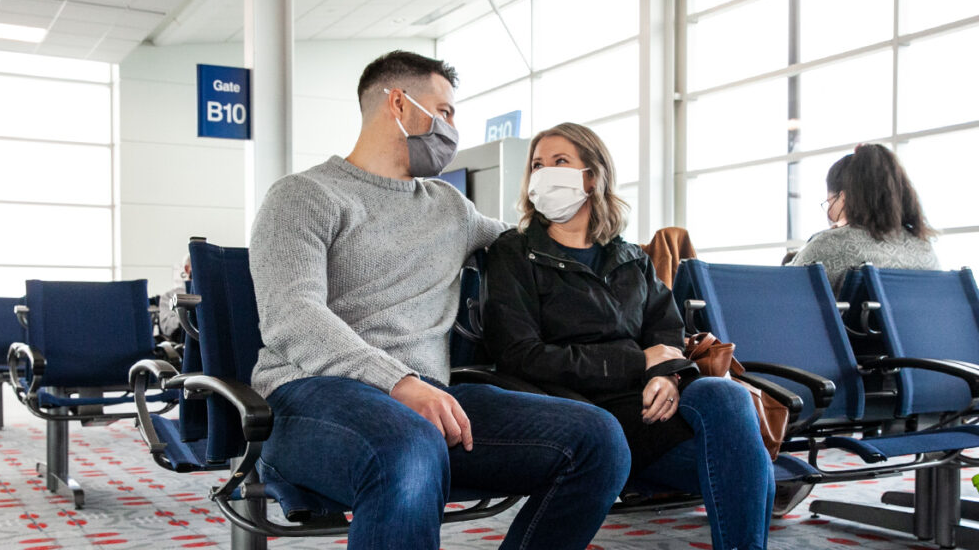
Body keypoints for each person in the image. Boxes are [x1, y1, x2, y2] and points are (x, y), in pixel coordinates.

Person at [248, 52, 630, 549]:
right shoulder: (304, 195)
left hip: (429, 399)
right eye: (445, 111)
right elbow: (292, 315)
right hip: (315, 396)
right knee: (407, 445)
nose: (452, 127)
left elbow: (535, 248)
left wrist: (626, 253)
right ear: (400, 105)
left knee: (598, 440)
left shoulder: (450, 207)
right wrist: (398, 381)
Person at [482, 122, 774, 550]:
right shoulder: (515, 252)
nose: (544, 173)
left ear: (592, 176)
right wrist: (639, 364)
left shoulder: (629, 256)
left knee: (726, 398)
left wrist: (669, 376)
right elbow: (519, 354)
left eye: (560, 162)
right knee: (750, 470)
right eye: (537, 164)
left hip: (650, 407)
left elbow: (666, 330)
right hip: (582, 412)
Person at [788, 143, 939, 293]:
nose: (829, 212)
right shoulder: (924, 250)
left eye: (830, 202)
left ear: (843, 199)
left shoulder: (830, 244)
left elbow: (784, 295)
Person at [157, 255, 190, 343]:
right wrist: (190, 318)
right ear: (187, 269)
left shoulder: (214, 294)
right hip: (184, 343)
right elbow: (168, 327)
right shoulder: (170, 297)